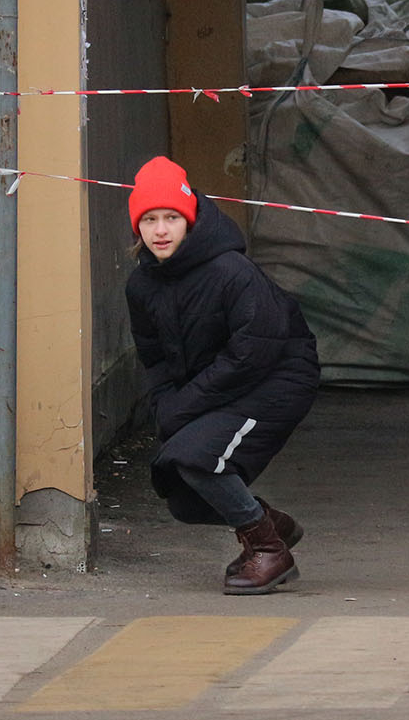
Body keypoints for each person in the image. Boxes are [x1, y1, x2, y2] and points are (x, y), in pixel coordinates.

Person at [125, 155, 320, 595]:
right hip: (220, 384)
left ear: (190, 219)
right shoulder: (141, 285)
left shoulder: (231, 271)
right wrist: (166, 407)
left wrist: (185, 406)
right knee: (183, 498)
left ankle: (268, 549)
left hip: (277, 376)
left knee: (197, 456)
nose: (160, 230)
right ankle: (269, 524)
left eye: (171, 218)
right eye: (150, 220)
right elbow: (155, 358)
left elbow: (253, 352)